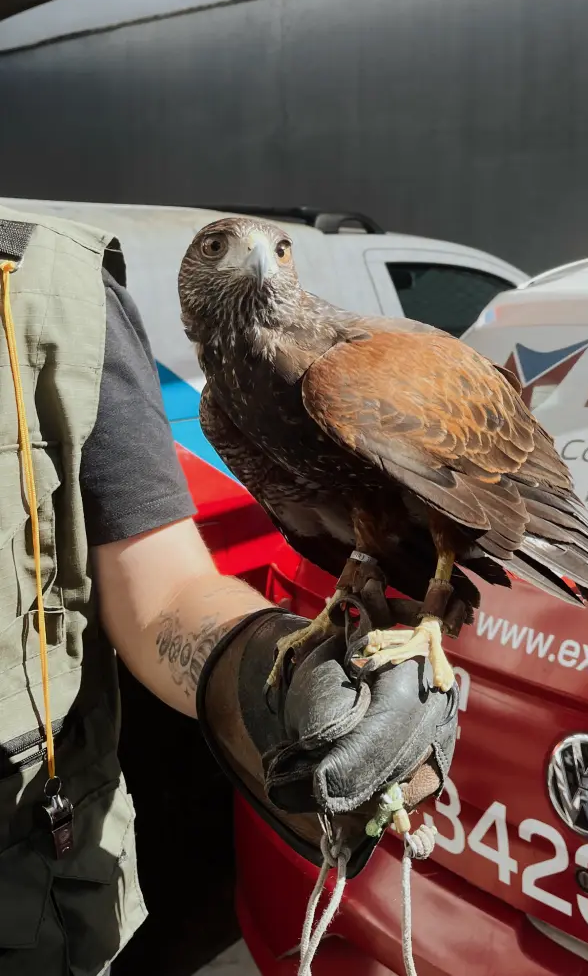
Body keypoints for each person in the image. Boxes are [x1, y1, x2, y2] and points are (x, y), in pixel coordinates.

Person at [0, 206, 456, 976]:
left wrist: (265, 672)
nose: (258, 263)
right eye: (224, 248)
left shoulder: (49, 290)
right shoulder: (224, 402)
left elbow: (163, 590)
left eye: (277, 251)